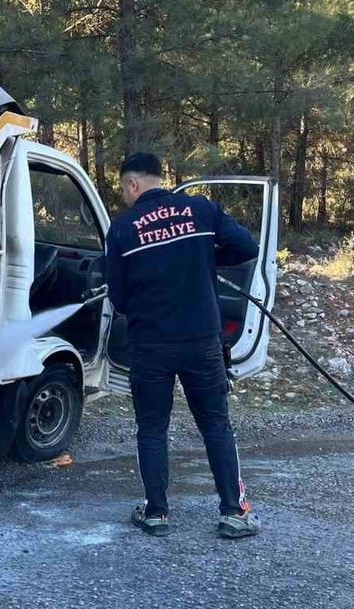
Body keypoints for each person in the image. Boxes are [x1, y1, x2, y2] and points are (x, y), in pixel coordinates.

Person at [104, 152, 261, 539]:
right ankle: (234, 512)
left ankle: (156, 513)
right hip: (201, 342)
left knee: (152, 428)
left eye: (125, 189)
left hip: (150, 345)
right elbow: (247, 248)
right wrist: (204, 259)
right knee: (215, 425)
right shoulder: (202, 210)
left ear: (133, 185)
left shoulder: (122, 229)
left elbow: (119, 297)